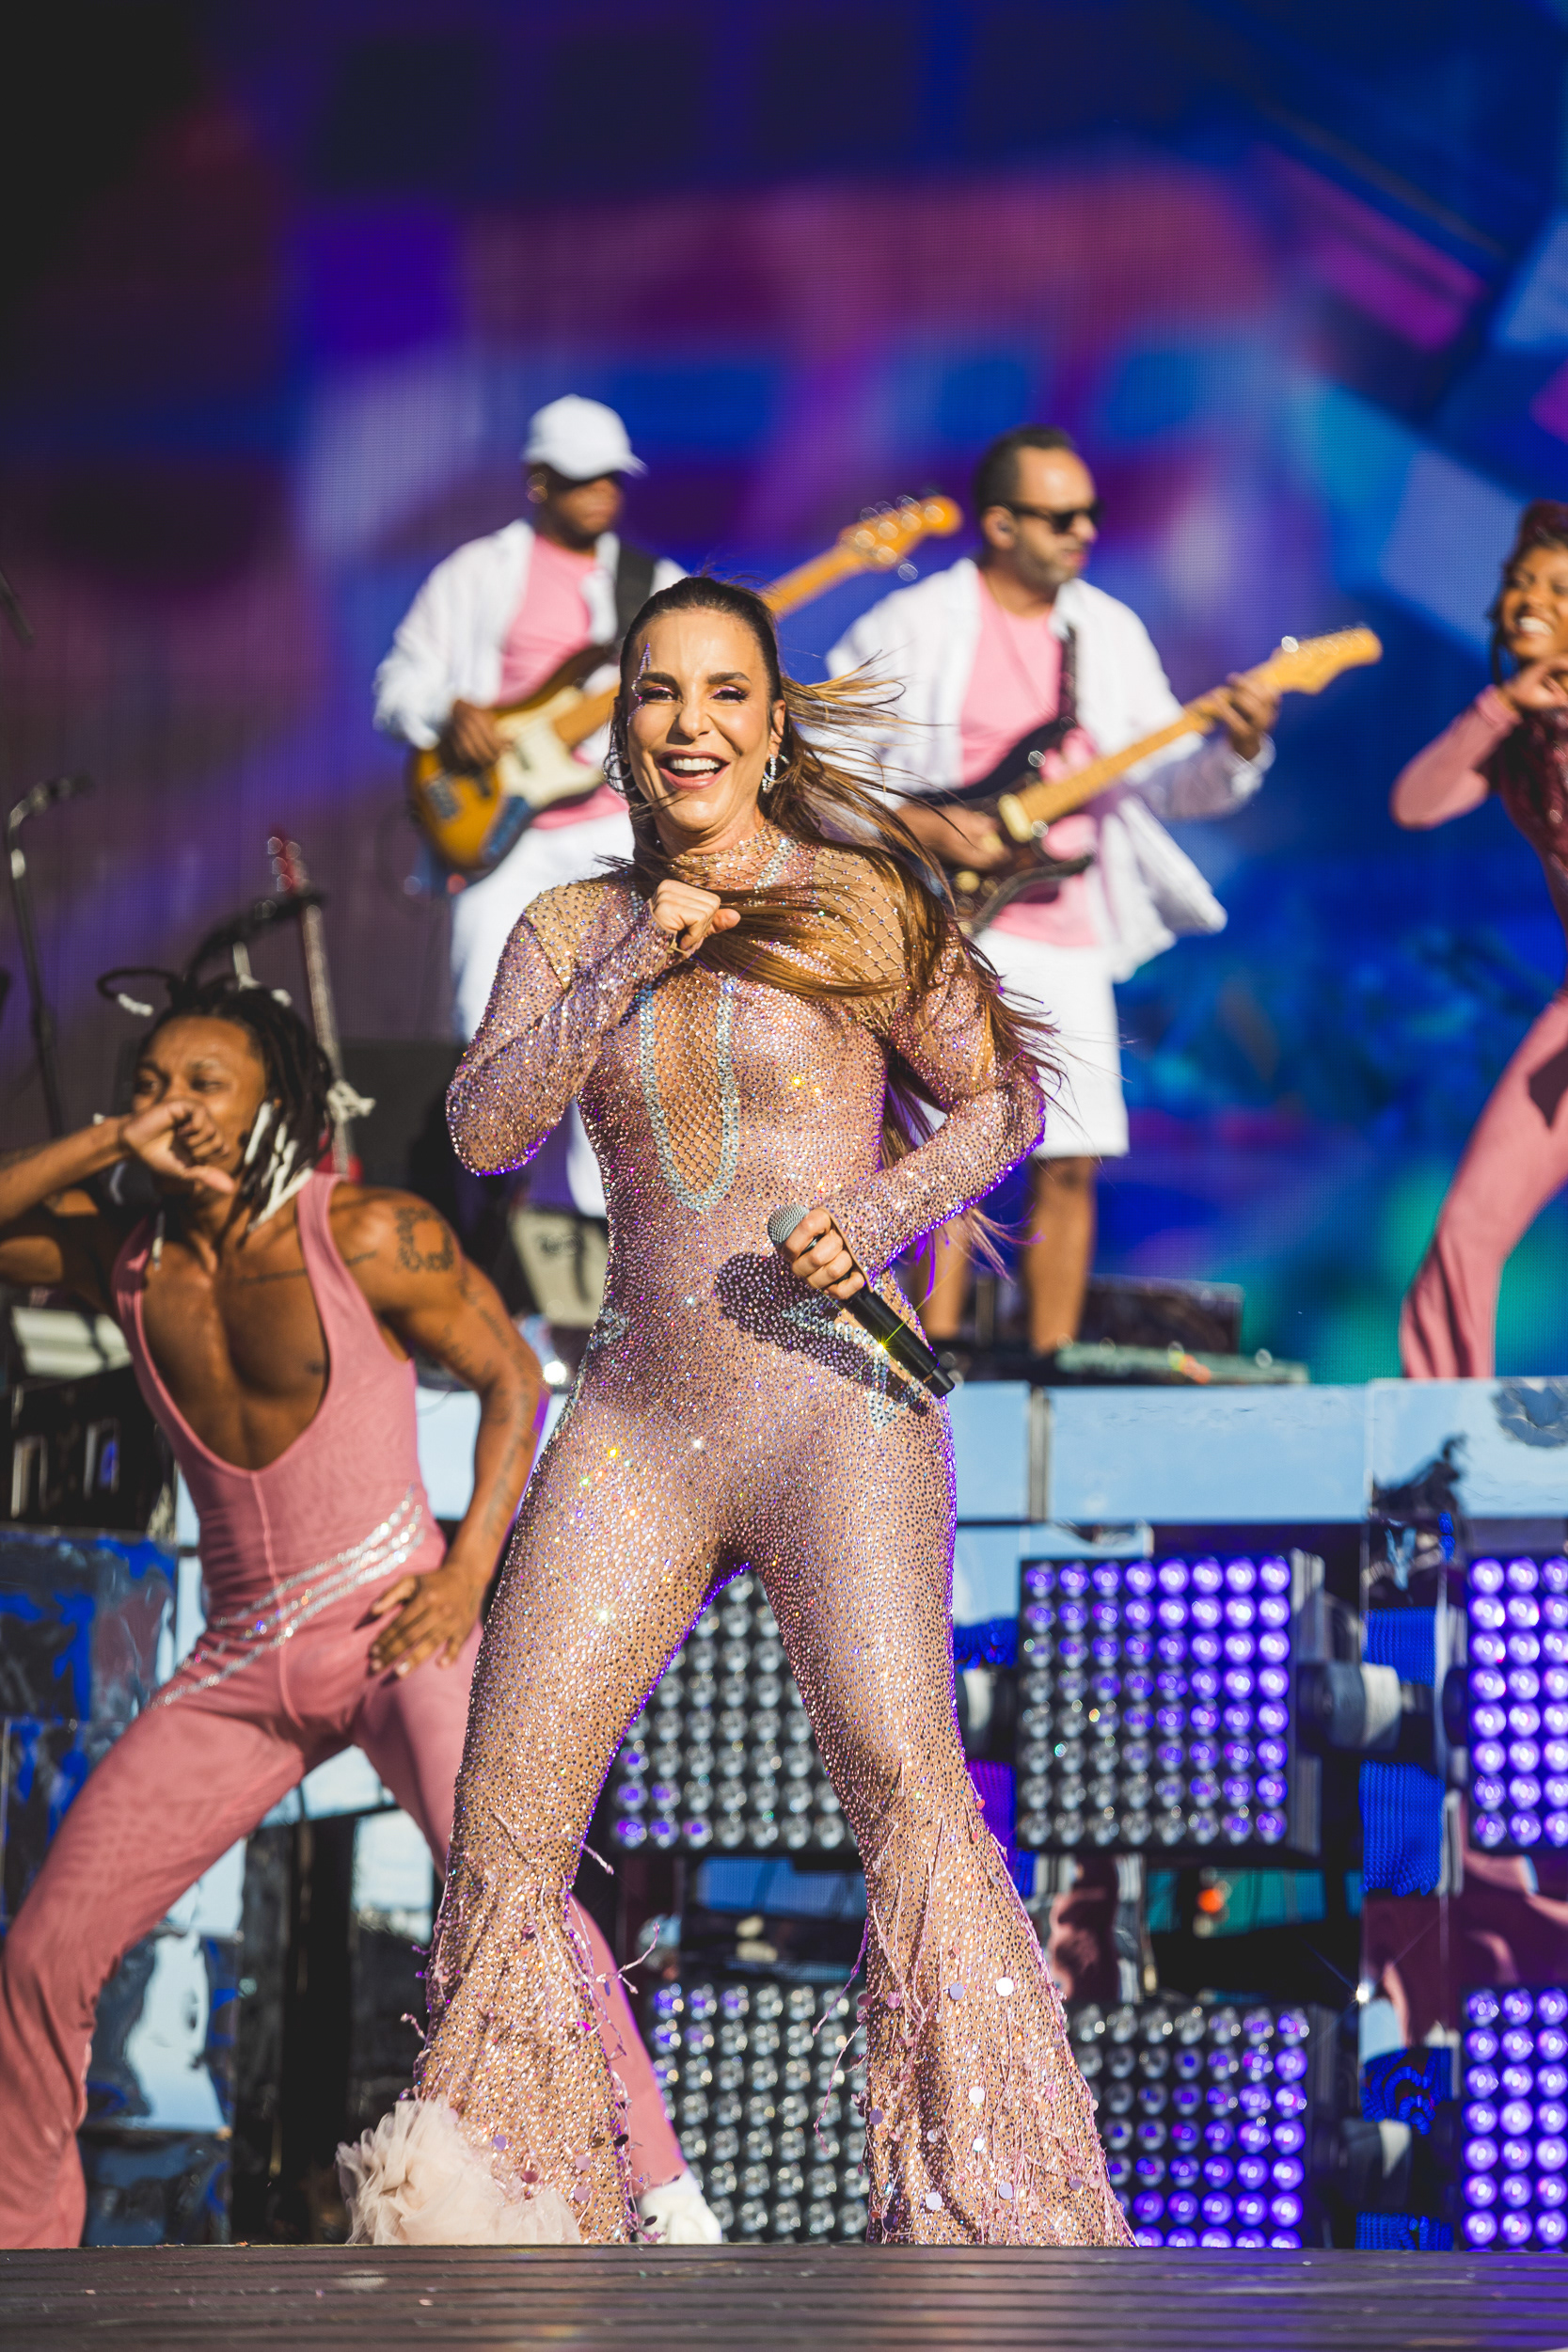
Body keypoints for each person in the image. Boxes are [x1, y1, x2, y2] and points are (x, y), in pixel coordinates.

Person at [339, 575, 1129, 2249]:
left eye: (721, 693)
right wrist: (636, 950)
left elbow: (1001, 1099)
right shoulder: (569, 923)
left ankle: (989, 2211)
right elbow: (483, 1132)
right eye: (655, 692)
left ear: (772, 725)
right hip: (634, 1418)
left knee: (902, 1772)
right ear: (620, 729)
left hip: (836, 1407)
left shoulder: (856, 901)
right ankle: (501, 2216)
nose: (687, 723)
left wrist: (885, 1208)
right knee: (505, 1809)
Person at [0, 977, 714, 2248]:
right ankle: (23, 2242)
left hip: (398, 1623)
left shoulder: (368, 1232)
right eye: (150, 1086)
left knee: (513, 1897)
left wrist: (467, 1570)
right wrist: (112, 1141)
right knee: (45, 1950)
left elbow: (510, 1376)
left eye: (202, 1084)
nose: (171, 1107)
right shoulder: (126, 1259)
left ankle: (661, 2197)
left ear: (272, 1102)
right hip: (239, 1662)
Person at [828, 424, 1277, 1353]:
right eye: (1058, 516)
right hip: (948, 926)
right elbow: (820, 768)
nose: (1082, 531)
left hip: (1067, 930)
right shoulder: (910, 625)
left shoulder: (1106, 633)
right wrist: (926, 827)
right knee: (948, 1157)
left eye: (1089, 513)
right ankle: (931, 1358)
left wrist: (1239, 746)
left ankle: (1050, 1366)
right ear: (999, 524)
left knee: (1071, 1158)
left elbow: (1174, 785)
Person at [374, 394, 683, 1226]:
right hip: (499, 841)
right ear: (538, 481)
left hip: (609, 836)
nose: (602, 494)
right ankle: (486, 1242)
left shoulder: (653, 585)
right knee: (492, 1041)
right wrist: (449, 712)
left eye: (612, 478)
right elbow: (396, 685)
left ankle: (590, 1240)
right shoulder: (476, 573)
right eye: (582, 479)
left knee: (616, 1041)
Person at [1392, 500, 1568, 1378]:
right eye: (1520, 585)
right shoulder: (1516, 735)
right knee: (1467, 1228)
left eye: (1558, 589)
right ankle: (1447, 1439)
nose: (1530, 601)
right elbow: (1414, 803)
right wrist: (1500, 707)